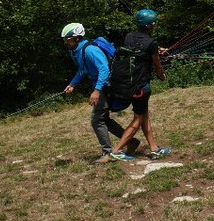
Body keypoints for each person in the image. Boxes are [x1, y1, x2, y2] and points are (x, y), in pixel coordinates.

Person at [61, 23, 139, 163]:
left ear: (77, 38)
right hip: (101, 86)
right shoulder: (78, 51)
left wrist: (97, 91)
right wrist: (72, 84)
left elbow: (104, 69)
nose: (65, 42)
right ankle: (131, 141)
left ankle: (108, 153)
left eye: (67, 39)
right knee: (103, 119)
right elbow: (82, 70)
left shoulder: (90, 50)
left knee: (97, 120)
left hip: (106, 86)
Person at [110, 9, 171, 161]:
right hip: (141, 86)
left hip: (128, 84)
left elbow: (138, 49)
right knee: (138, 119)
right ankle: (117, 150)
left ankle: (154, 148)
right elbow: (157, 65)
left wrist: (157, 49)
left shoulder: (129, 36)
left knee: (144, 116)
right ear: (150, 26)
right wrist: (162, 76)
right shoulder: (151, 43)